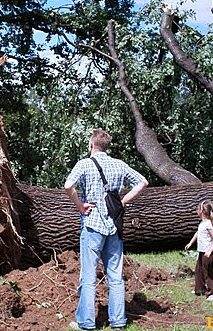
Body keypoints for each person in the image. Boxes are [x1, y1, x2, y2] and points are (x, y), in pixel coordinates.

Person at [65, 129, 148, 330]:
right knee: (115, 277)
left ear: (91, 144)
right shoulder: (119, 165)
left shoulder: (84, 164)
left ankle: (86, 322)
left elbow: (68, 186)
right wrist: (122, 201)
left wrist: (80, 206)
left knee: (89, 276)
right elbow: (143, 182)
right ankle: (118, 322)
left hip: (92, 226)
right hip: (114, 227)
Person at [185, 200, 213, 301]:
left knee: (208, 271)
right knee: (199, 270)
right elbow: (197, 234)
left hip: (208, 252)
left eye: (198, 209)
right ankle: (200, 289)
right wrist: (190, 243)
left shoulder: (208, 224)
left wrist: (210, 251)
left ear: (202, 211)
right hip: (201, 251)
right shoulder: (202, 223)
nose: (197, 211)